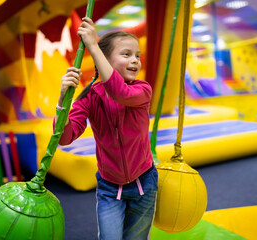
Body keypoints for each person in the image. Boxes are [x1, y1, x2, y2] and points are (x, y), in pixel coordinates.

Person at [54, 17, 158, 240]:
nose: (135, 61)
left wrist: (93, 45)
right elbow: (65, 137)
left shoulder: (142, 90)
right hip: (110, 188)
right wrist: (62, 101)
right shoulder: (91, 96)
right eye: (127, 54)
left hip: (144, 182)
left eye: (137, 55)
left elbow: (119, 93)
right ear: (105, 59)